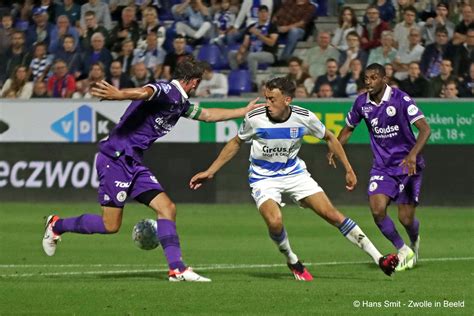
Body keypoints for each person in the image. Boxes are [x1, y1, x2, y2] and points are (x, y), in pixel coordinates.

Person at [42, 59, 263, 282]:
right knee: (110, 225)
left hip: (133, 163)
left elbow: (208, 115)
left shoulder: (180, 104)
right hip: (115, 159)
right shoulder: (167, 91)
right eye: (198, 81)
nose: (197, 85)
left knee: (167, 208)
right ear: (194, 81)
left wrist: (243, 111)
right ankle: (57, 225)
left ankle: (177, 269)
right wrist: (120, 94)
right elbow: (145, 92)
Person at [189, 77, 399, 281]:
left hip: (294, 174)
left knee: (333, 215)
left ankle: (379, 258)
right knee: (275, 221)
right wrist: (210, 171)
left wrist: (349, 169)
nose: (267, 103)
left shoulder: (304, 116)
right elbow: (236, 143)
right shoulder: (255, 118)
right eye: (266, 98)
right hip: (263, 178)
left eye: (272, 99)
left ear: (287, 100)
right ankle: (292, 260)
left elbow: (330, 137)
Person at [328, 63, 431, 272]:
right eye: (366, 78)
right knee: (377, 210)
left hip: (407, 166)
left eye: (374, 78)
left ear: (384, 79)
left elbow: (425, 130)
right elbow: (348, 129)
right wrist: (335, 148)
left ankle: (414, 240)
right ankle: (403, 250)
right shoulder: (361, 103)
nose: (369, 82)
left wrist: (412, 155)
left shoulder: (400, 99)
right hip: (382, 167)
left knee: (405, 218)